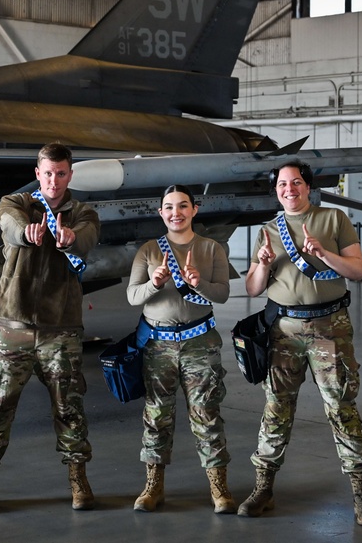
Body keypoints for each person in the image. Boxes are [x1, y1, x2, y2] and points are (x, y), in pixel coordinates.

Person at [0, 143, 100, 515]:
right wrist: (27, 232)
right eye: (48, 173)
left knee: (69, 408)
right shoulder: (15, 203)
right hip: (12, 325)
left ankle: (78, 481)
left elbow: (87, 236)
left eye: (61, 173)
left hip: (61, 329)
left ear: (70, 175)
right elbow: (10, 225)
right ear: (38, 173)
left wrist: (71, 238)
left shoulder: (84, 212)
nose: (54, 181)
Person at [240, 161, 362, 527]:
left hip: (329, 325)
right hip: (283, 330)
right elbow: (253, 289)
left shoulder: (334, 219)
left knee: (341, 407)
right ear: (276, 190)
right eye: (283, 184)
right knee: (276, 409)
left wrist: (323, 254)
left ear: (308, 186)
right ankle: (263, 488)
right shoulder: (269, 230)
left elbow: (358, 270)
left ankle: (361, 495)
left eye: (296, 182)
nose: (290, 189)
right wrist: (262, 266)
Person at [126, 185, 235, 514]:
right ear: (161, 212)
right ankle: (153, 486)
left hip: (199, 343)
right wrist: (154, 283)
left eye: (183, 206)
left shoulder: (211, 248)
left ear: (194, 210)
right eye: (169, 207)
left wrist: (197, 281)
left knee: (207, 415)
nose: (177, 212)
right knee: (157, 416)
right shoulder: (148, 250)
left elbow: (222, 294)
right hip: (158, 344)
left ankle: (219, 488)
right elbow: (133, 296)